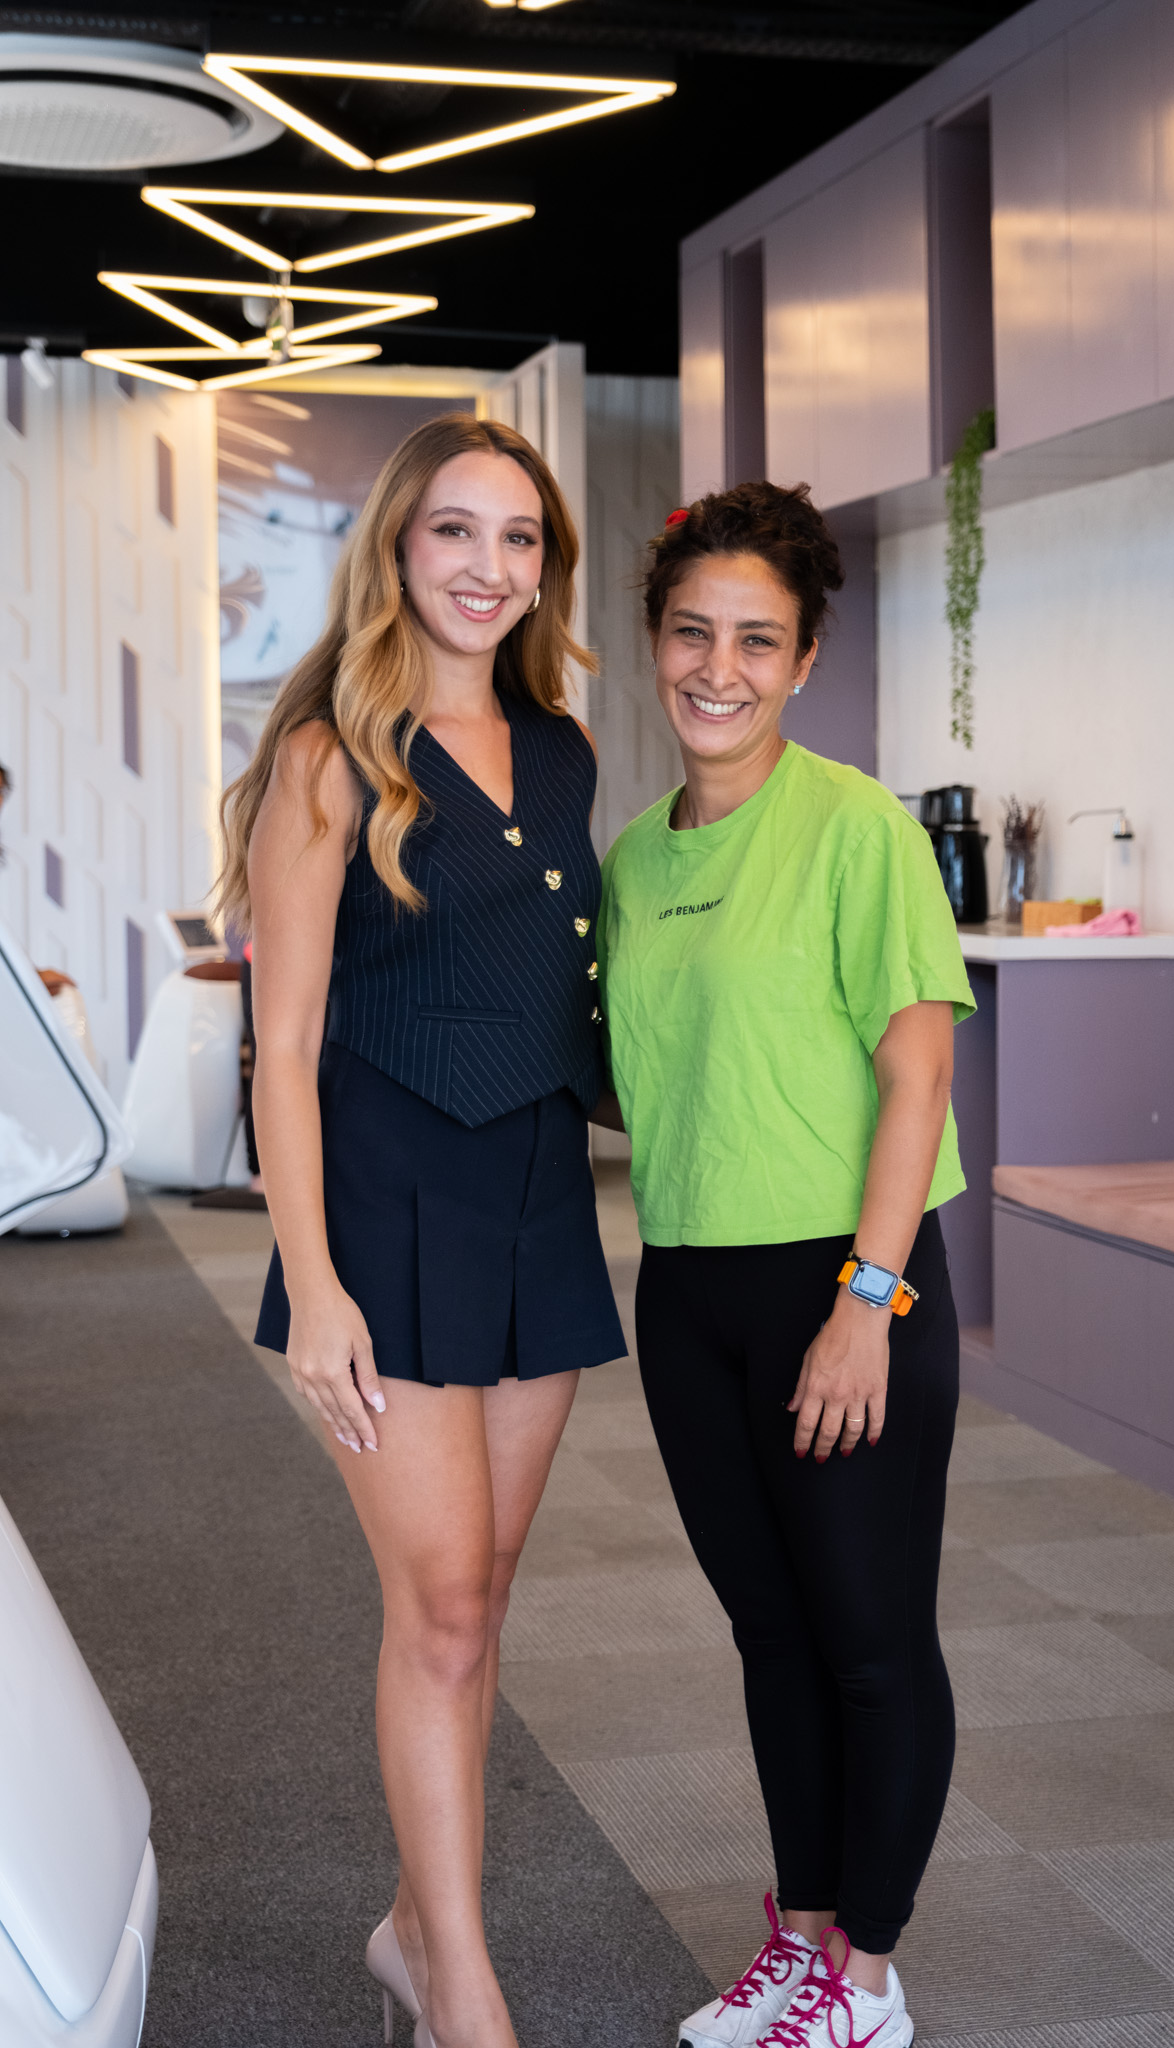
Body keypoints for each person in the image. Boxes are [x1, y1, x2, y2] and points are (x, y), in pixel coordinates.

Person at [216, 414, 624, 2048]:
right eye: (455, 530)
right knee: (440, 1600)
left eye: (519, 539)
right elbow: (284, 1049)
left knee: (485, 1591)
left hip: (534, 1195)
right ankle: (459, 1980)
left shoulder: (565, 747)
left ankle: (409, 1926)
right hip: (384, 1205)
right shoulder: (333, 755)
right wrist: (313, 1287)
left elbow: (561, 987)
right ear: (395, 544)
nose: (487, 566)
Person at [596, 483, 975, 2048]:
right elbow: (649, 1079)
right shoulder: (632, 859)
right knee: (770, 1634)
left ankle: (867, 1981)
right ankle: (803, 1935)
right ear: (652, 642)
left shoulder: (854, 825)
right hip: (690, 1290)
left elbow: (917, 1070)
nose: (719, 668)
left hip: (845, 1281)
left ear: (805, 658)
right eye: (693, 632)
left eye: (757, 640)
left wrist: (864, 1306)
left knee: (867, 1642)